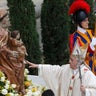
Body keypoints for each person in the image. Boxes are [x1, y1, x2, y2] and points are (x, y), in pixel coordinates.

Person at [28, 41, 96, 96]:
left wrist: (86, 91)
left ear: (78, 62)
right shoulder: (66, 68)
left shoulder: (88, 75)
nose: (69, 61)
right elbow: (53, 70)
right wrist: (39, 66)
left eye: (72, 60)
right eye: (70, 59)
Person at [68, 0, 96, 75]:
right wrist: (90, 48)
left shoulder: (90, 32)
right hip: (86, 74)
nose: (88, 22)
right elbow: (77, 59)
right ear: (79, 22)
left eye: (87, 20)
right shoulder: (74, 38)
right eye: (85, 21)